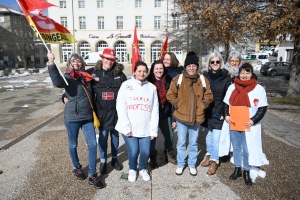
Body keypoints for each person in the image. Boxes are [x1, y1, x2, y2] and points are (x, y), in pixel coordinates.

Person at [46, 52, 103, 189]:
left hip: (87, 117)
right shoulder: (67, 77)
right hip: (73, 117)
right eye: (73, 62)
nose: (76, 64)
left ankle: (92, 175)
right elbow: (57, 81)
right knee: (73, 144)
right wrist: (51, 63)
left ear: (82, 63)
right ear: (70, 64)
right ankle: (77, 167)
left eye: (78, 61)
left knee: (92, 145)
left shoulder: (88, 76)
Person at [167, 51, 214, 176]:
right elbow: (170, 94)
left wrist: (203, 105)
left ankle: (192, 164)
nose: (191, 68)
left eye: (194, 66)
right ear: (185, 67)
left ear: (197, 67)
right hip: (181, 117)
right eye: (189, 66)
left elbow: (209, 95)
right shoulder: (178, 79)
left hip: (197, 118)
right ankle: (181, 164)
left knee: (193, 143)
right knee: (181, 142)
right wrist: (177, 104)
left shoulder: (203, 79)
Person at [223, 62, 268, 186]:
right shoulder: (232, 87)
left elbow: (262, 108)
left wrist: (253, 120)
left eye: (247, 72)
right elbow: (226, 104)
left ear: (252, 74)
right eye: (242, 72)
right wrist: (226, 115)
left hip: (249, 124)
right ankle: (237, 168)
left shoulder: (258, 89)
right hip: (235, 123)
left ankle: (246, 171)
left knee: (248, 149)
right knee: (236, 147)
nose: (244, 75)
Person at [115, 61, 159, 182]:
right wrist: (126, 126)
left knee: (145, 152)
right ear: (134, 72)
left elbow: (155, 110)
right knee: (134, 151)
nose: (142, 73)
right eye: (139, 71)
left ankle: (143, 168)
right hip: (129, 126)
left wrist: (153, 130)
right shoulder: (126, 85)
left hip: (145, 126)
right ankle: (133, 169)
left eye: (144, 71)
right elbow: (120, 106)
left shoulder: (152, 88)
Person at [90, 48, 127, 175]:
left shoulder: (120, 75)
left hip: (116, 112)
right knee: (103, 136)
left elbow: (128, 91)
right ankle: (104, 161)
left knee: (115, 136)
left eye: (111, 60)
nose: (109, 62)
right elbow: (80, 84)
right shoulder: (94, 73)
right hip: (102, 113)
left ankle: (115, 159)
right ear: (102, 59)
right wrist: (65, 95)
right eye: (107, 59)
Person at [201, 52, 232, 175]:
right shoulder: (205, 76)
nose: (215, 64)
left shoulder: (227, 78)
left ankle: (215, 161)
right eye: (212, 62)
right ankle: (209, 155)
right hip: (207, 112)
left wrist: (226, 112)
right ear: (209, 63)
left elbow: (228, 98)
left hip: (219, 112)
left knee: (215, 139)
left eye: (217, 62)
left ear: (221, 63)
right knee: (208, 138)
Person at [147, 60, 175, 168]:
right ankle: (152, 156)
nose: (159, 71)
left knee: (170, 136)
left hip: (165, 113)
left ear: (164, 69)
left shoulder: (168, 80)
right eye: (157, 69)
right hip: (151, 114)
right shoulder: (148, 81)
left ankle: (168, 153)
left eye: (161, 68)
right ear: (153, 70)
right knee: (152, 137)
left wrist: (173, 118)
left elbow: (173, 99)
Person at [162, 52, 183, 164]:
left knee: (170, 133)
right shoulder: (160, 71)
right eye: (164, 59)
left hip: (170, 107)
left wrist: (174, 116)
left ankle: (169, 153)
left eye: (168, 59)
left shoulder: (176, 74)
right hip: (159, 106)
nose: (165, 61)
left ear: (173, 60)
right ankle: (152, 154)